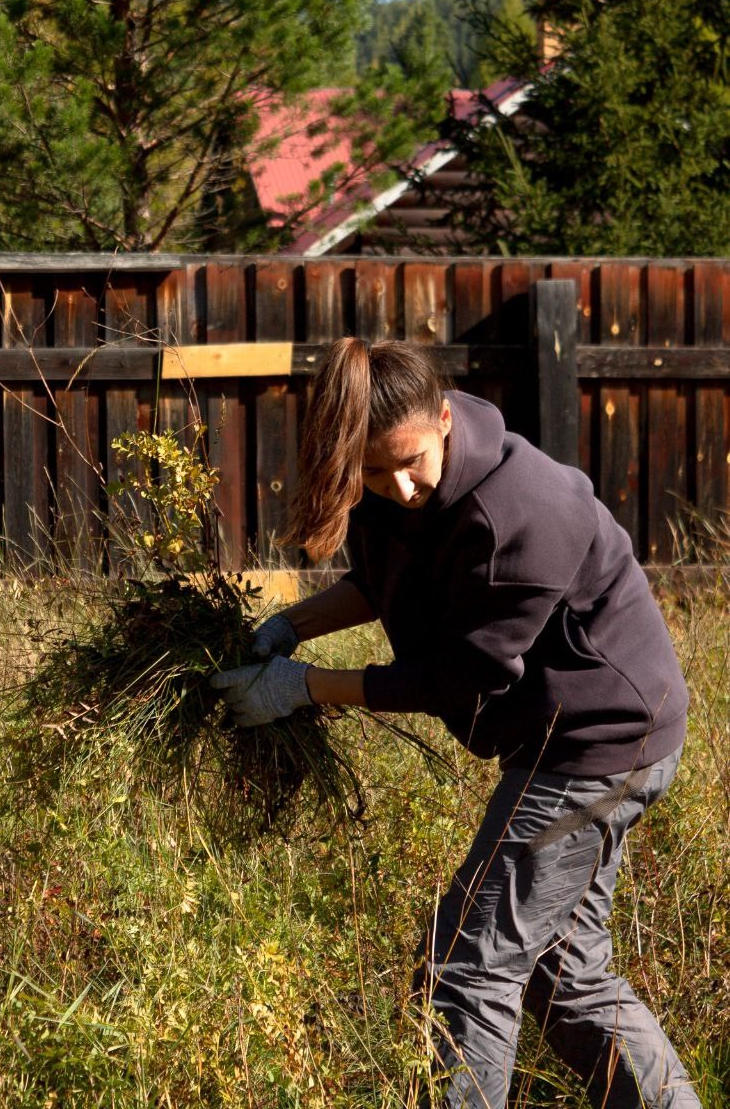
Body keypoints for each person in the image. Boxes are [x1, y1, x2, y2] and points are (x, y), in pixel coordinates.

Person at [210, 337, 700, 1109]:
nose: (397, 488)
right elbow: (383, 578)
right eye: (372, 473)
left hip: (598, 747)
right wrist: (291, 626)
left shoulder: (519, 515)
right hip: (570, 736)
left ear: (443, 419)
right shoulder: (404, 478)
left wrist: (300, 689)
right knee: (561, 969)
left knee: (467, 963)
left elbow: (458, 680)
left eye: (409, 463)